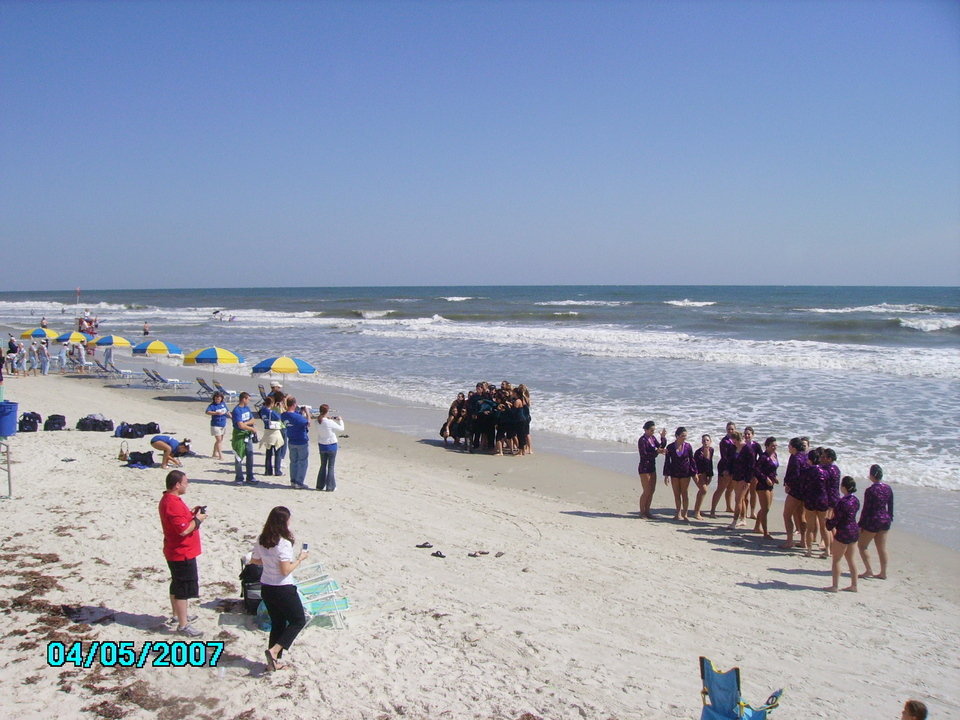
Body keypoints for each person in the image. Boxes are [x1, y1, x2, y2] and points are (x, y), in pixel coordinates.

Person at [248, 506, 309, 671]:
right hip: (283, 588)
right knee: (298, 620)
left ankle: (273, 662)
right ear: (284, 522)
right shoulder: (284, 543)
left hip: (267, 587)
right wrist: (300, 559)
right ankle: (274, 651)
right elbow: (285, 570)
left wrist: (269, 562)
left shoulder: (262, 539)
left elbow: (255, 560)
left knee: (278, 623)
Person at [158, 470, 206, 637]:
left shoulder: (170, 500)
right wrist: (198, 520)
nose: (187, 484)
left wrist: (192, 515)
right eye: (185, 482)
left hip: (176, 550)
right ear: (177, 484)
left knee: (177, 583)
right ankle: (183, 624)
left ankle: (178, 615)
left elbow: (181, 521)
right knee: (182, 588)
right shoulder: (172, 503)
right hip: (181, 552)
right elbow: (184, 530)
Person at [858, 464, 894, 580]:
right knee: (881, 548)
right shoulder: (888, 488)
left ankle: (869, 570)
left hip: (872, 521)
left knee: (862, 545)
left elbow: (866, 509)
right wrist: (889, 517)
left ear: (872, 476)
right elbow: (891, 506)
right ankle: (883, 572)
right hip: (884, 520)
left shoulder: (870, 490)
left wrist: (861, 524)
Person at [824, 476, 859, 592]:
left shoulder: (842, 502)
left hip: (843, 531)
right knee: (851, 560)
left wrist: (828, 523)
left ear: (844, 487)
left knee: (836, 560)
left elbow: (837, 519)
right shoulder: (856, 500)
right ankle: (854, 585)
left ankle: (835, 586)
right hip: (854, 530)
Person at [780, 437, 810, 549]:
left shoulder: (796, 458)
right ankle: (803, 541)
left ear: (793, 447)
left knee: (787, 515)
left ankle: (789, 540)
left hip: (796, 491)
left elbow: (795, 475)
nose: (788, 447)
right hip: (805, 491)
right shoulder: (805, 456)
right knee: (801, 516)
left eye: (789, 445)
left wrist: (788, 485)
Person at [663, 426, 697, 521]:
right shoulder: (670, 447)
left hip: (685, 473)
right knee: (676, 494)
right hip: (674, 473)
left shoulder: (688, 446)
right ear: (677, 436)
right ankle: (678, 513)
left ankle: (685, 514)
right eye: (682, 436)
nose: (684, 438)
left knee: (684, 493)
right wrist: (666, 475)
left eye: (685, 436)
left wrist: (694, 473)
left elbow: (692, 460)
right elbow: (667, 462)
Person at [802, 447, 830, 558]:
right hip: (823, 499)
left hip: (810, 499)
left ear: (810, 460)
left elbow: (804, 485)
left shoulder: (807, 471)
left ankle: (809, 550)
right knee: (824, 527)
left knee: (810, 527)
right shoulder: (825, 471)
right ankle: (827, 550)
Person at [637, 421, 666, 519]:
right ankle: (642, 512)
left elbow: (661, 446)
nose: (653, 432)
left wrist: (663, 437)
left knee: (652, 490)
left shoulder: (653, 438)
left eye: (654, 430)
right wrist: (656, 452)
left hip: (652, 466)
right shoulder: (642, 440)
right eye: (651, 430)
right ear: (645, 429)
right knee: (647, 490)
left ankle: (647, 511)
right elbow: (644, 455)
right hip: (644, 467)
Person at [280, 396, 310, 489]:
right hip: (301, 441)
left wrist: (301, 412)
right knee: (302, 462)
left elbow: (296, 418)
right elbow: (308, 423)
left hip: (292, 440)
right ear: (294, 405)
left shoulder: (284, 415)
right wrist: (308, 413)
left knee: (293, 462)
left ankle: (293, 481)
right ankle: (299, 482)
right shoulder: (296, 417)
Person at [709, 422, 738, 517]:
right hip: (725, 467)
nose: (730, 431)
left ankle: (729, 507)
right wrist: (726, 470)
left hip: (734, 467)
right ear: (726, 430)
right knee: (721, 489)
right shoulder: (724, 441)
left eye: (732, 429)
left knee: (730, 489)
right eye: (729, 429)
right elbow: (724, 457)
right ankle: (712, 510)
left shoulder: (736, 440)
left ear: (735, 429)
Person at [728, 431, 755, 529]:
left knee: (738, 499)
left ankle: (734, 522)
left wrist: (748, 480)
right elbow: (731, 461)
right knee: (740, 498)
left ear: (738, 439)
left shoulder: (748, 449)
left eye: (734, 441)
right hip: (735, 476)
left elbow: (751, 466)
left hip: (744, 478)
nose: (733, 442)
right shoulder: (734, 448)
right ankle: (743, 519)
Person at [753, 437, 779, 538]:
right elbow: (757, 470)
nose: (774, 448)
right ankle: (765, 532)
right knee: (765, 509)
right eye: (772, 446)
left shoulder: (775, 455)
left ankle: (756, 527)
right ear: (767, 446)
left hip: (771, 485)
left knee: (766, 508)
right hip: (762, 485)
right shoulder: (763, 457)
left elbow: (773, 469)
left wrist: (774, 478)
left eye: (775, 446)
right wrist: (765, 478)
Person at [231, 392, 258, 485]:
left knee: (250, 456)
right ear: (244, 399)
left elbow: (253, 419)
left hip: (248, 436)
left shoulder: (246, 408)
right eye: (248, 399)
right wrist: (251, 428)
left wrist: (245, 424)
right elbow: (240, 425)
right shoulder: (237, 410)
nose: (249, 401)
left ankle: (250, 476)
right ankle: (239, 477)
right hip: (239, 436)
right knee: (239, 457)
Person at [315, 404, 344, 491]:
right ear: (326, 412)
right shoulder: (329, 422)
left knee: (323, 465)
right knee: (331, 466)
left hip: (322, 445)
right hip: (331, 445)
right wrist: (340, 420)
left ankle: (320, 486)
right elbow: (341, 428)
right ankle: (330, 486)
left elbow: (323, 421)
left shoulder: (318, 421)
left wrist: (329, 418)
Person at [259, 397, 285, 476]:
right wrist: (280, 408)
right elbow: (279, 417)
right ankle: (277, 470)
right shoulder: (271, 412)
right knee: (277, 452)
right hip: (274, 432)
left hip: (267, 432)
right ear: (272, 403)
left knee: (268, 453)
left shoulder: (262, 410)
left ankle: (268, 470)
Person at [692, 434, 714, 520]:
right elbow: (694, 465)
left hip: (705, 474)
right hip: (697, 473)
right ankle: (696, 513)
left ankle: (697, 509)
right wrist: (696, 475)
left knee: (701, 491)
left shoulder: (711, 450)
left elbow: (710, 464)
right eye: (704, 440)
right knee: (704, 490)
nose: (705, 442)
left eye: (707, 440)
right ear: (701, 442)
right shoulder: (698, 452)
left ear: (710, 441)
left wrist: (710, 476)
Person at [205, 391, 228, 460]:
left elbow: (227, 411)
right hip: (215, 425)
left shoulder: (223, 404)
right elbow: (207, 412)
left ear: (221, 398)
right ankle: (221, 455)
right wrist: (215, 413)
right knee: (219, 440)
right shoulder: (212, 406)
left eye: (218, 398)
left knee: (220, 440)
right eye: (216, 398)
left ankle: (214, 453)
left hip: (223, 424)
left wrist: (233, 417)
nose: (217, 400)